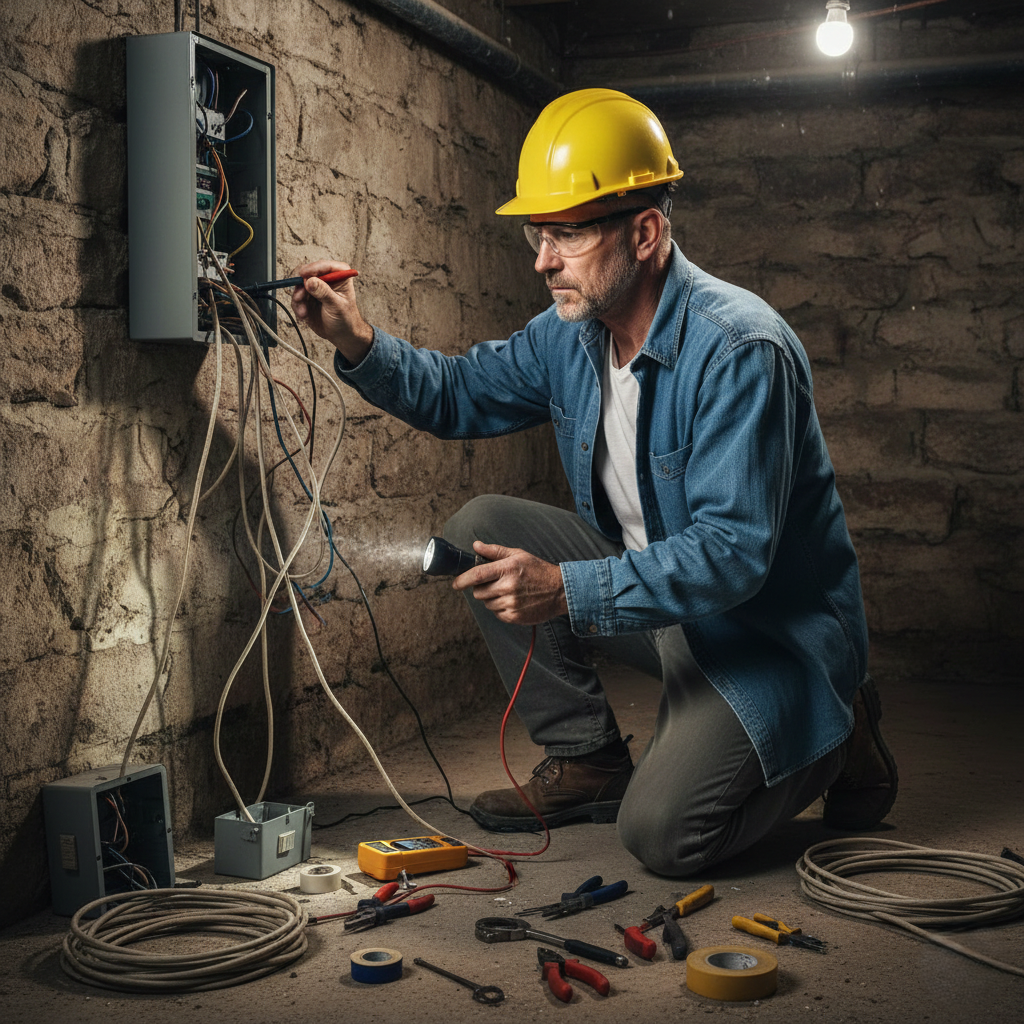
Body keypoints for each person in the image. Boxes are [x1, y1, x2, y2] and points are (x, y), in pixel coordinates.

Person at [291, 88, 898, 876]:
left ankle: (839, 726)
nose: (544, 259)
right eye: (538, 236)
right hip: (665, 613)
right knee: (480, 525)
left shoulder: (742, 349)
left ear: (644, 232)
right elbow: (459, 393)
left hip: (765, 637)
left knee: (664, 837)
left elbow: (731, 556)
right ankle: (589, 759)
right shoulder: (569, 334)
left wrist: (570, 591)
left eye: (567, 235)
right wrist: (357, 337)